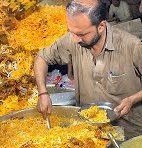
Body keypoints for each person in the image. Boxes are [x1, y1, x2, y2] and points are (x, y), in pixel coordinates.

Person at [34, 0, 142, 139]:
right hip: (90, 132)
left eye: (81, 34)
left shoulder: (131, 46)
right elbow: (41, 58)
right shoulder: (72, 40)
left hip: (129, 134)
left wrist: (132, 99)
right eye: (71, 32)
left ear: (101, 26)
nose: (76, 39)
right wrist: (42, 93)